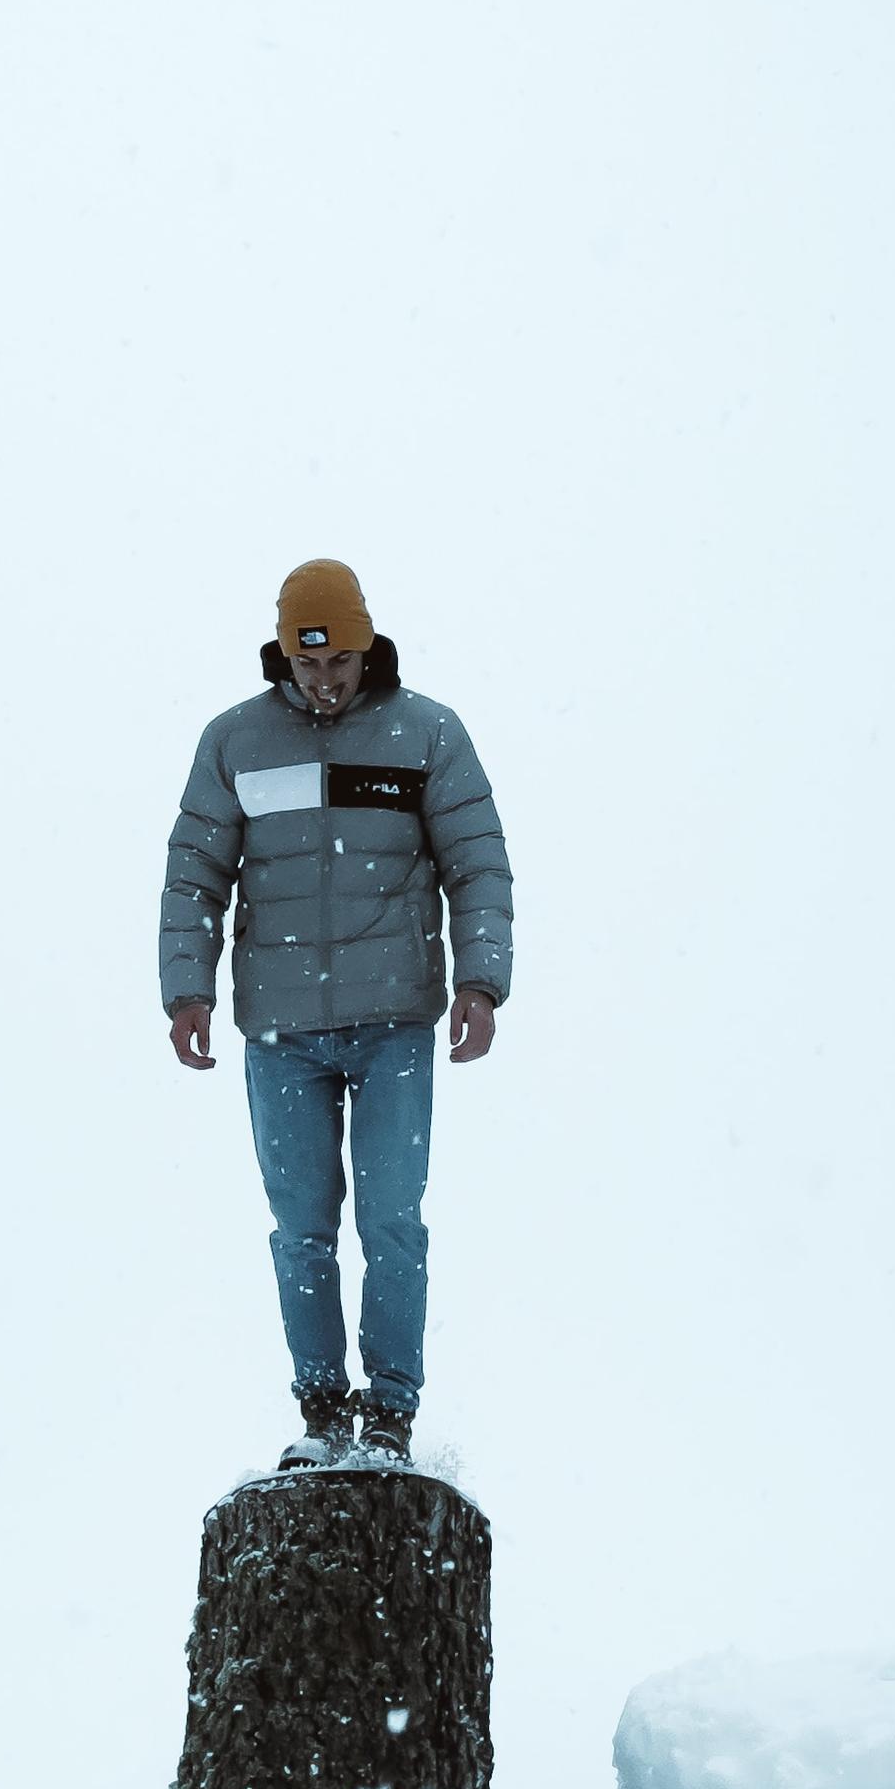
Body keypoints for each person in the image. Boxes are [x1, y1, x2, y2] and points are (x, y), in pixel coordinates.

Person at [160, 560, 512, 1471]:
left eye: (339, 662)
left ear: (365, 647)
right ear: (282, 653)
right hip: (279, 1035)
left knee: (392, 1219)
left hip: (395, 1022)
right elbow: (195, 875)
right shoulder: (234, 743)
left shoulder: (428, 735)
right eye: (305, 663)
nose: (323, 680)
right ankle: (322, 1412)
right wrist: (186, 990)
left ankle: (390, 1414)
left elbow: (477, 865)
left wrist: (482, 981)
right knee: (301, 1228)